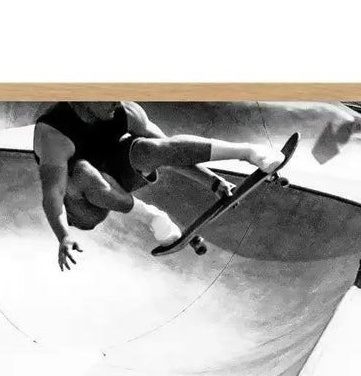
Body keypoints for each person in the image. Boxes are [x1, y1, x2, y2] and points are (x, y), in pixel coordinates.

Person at [32, 101, 283, 270]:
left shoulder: (125, 111)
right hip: (81, 207)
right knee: (84, 171)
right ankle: (152, 217)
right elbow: (53, 194)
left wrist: (213, 182)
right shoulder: (53, 133)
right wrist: (63, 236)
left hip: (115, 179)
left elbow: (171, 150)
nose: (116, 102)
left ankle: (248, 151)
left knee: (147, 149)